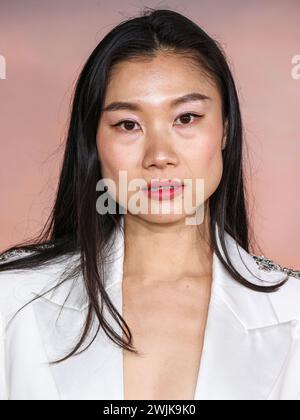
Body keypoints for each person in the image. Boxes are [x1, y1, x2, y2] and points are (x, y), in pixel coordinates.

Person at [0, 7, 299, 401]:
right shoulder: (11, 300)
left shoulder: (293, 310)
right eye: (128, 124)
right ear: (93, 142)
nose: (159, 154)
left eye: (186, 118)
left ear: (225, 129)